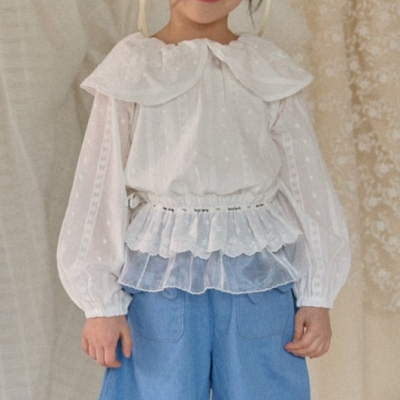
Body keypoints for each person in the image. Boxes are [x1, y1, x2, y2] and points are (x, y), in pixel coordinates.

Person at [57, 0, 351, 398]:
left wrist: (317, 293)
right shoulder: (133, 67)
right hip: (160, 278)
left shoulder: (266, 68)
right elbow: (98, 185)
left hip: (258, 277)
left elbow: (307, 185)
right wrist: (99, 303)